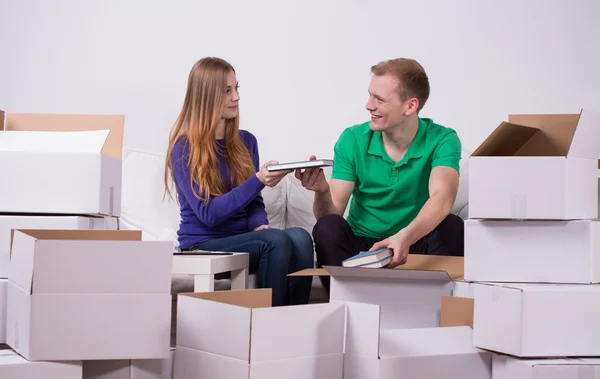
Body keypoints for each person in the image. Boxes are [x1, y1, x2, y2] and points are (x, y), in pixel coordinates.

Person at [296, 58, 464, 294]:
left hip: (414, 240)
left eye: (379, 99)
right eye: (369, 95)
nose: (368, 105)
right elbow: (330, 214)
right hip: (363, 247)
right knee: (327, 227)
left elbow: (443, 197)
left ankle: (432, 306)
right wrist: (322, 192)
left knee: (452, 226)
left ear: (410, 106)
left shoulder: (443, 139)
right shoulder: (352, 139)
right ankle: (350, 303)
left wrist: (404, 237)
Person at [164, 57, 312, 306]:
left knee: (300, 237)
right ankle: (268, 329)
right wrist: (258, 180)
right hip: (203, 243)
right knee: (275, 241)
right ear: (206, 96)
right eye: (227, 91)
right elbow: (208, 214)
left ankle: (294, 327)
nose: (237, 97)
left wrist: (259, 225)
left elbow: (253, 203)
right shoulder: (184, 148)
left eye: (237, 88)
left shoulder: (246, 142)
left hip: (245, 240)